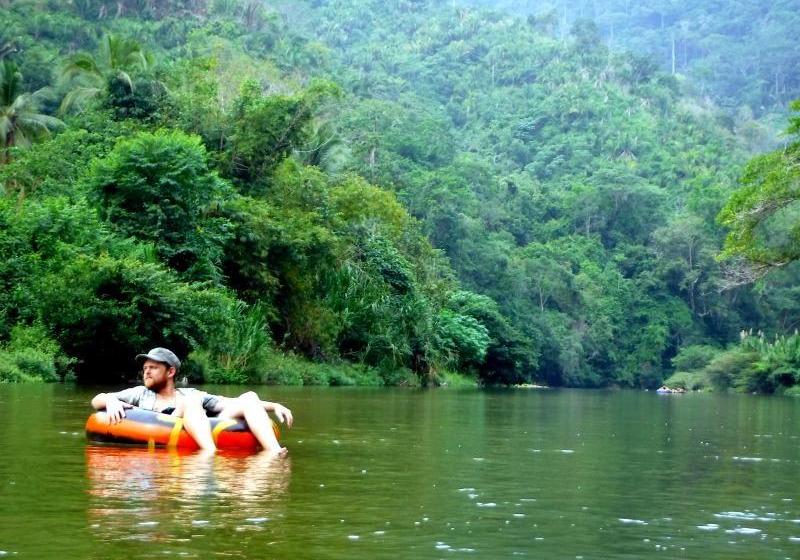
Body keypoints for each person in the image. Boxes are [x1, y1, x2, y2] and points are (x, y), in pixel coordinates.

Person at [90, 347, 293, 456]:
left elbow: (232, 402)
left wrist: (274, 406)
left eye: (153, 368)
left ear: (170, 372)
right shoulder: (140, 393)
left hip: (193, 418)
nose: (146, 372)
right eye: (145, 368)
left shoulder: (190, 393)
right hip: (163, 429)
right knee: (190, 402)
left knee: (249, 396)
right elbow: (96, 400)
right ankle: (210, 453)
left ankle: (274, 453)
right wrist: (110, 400)